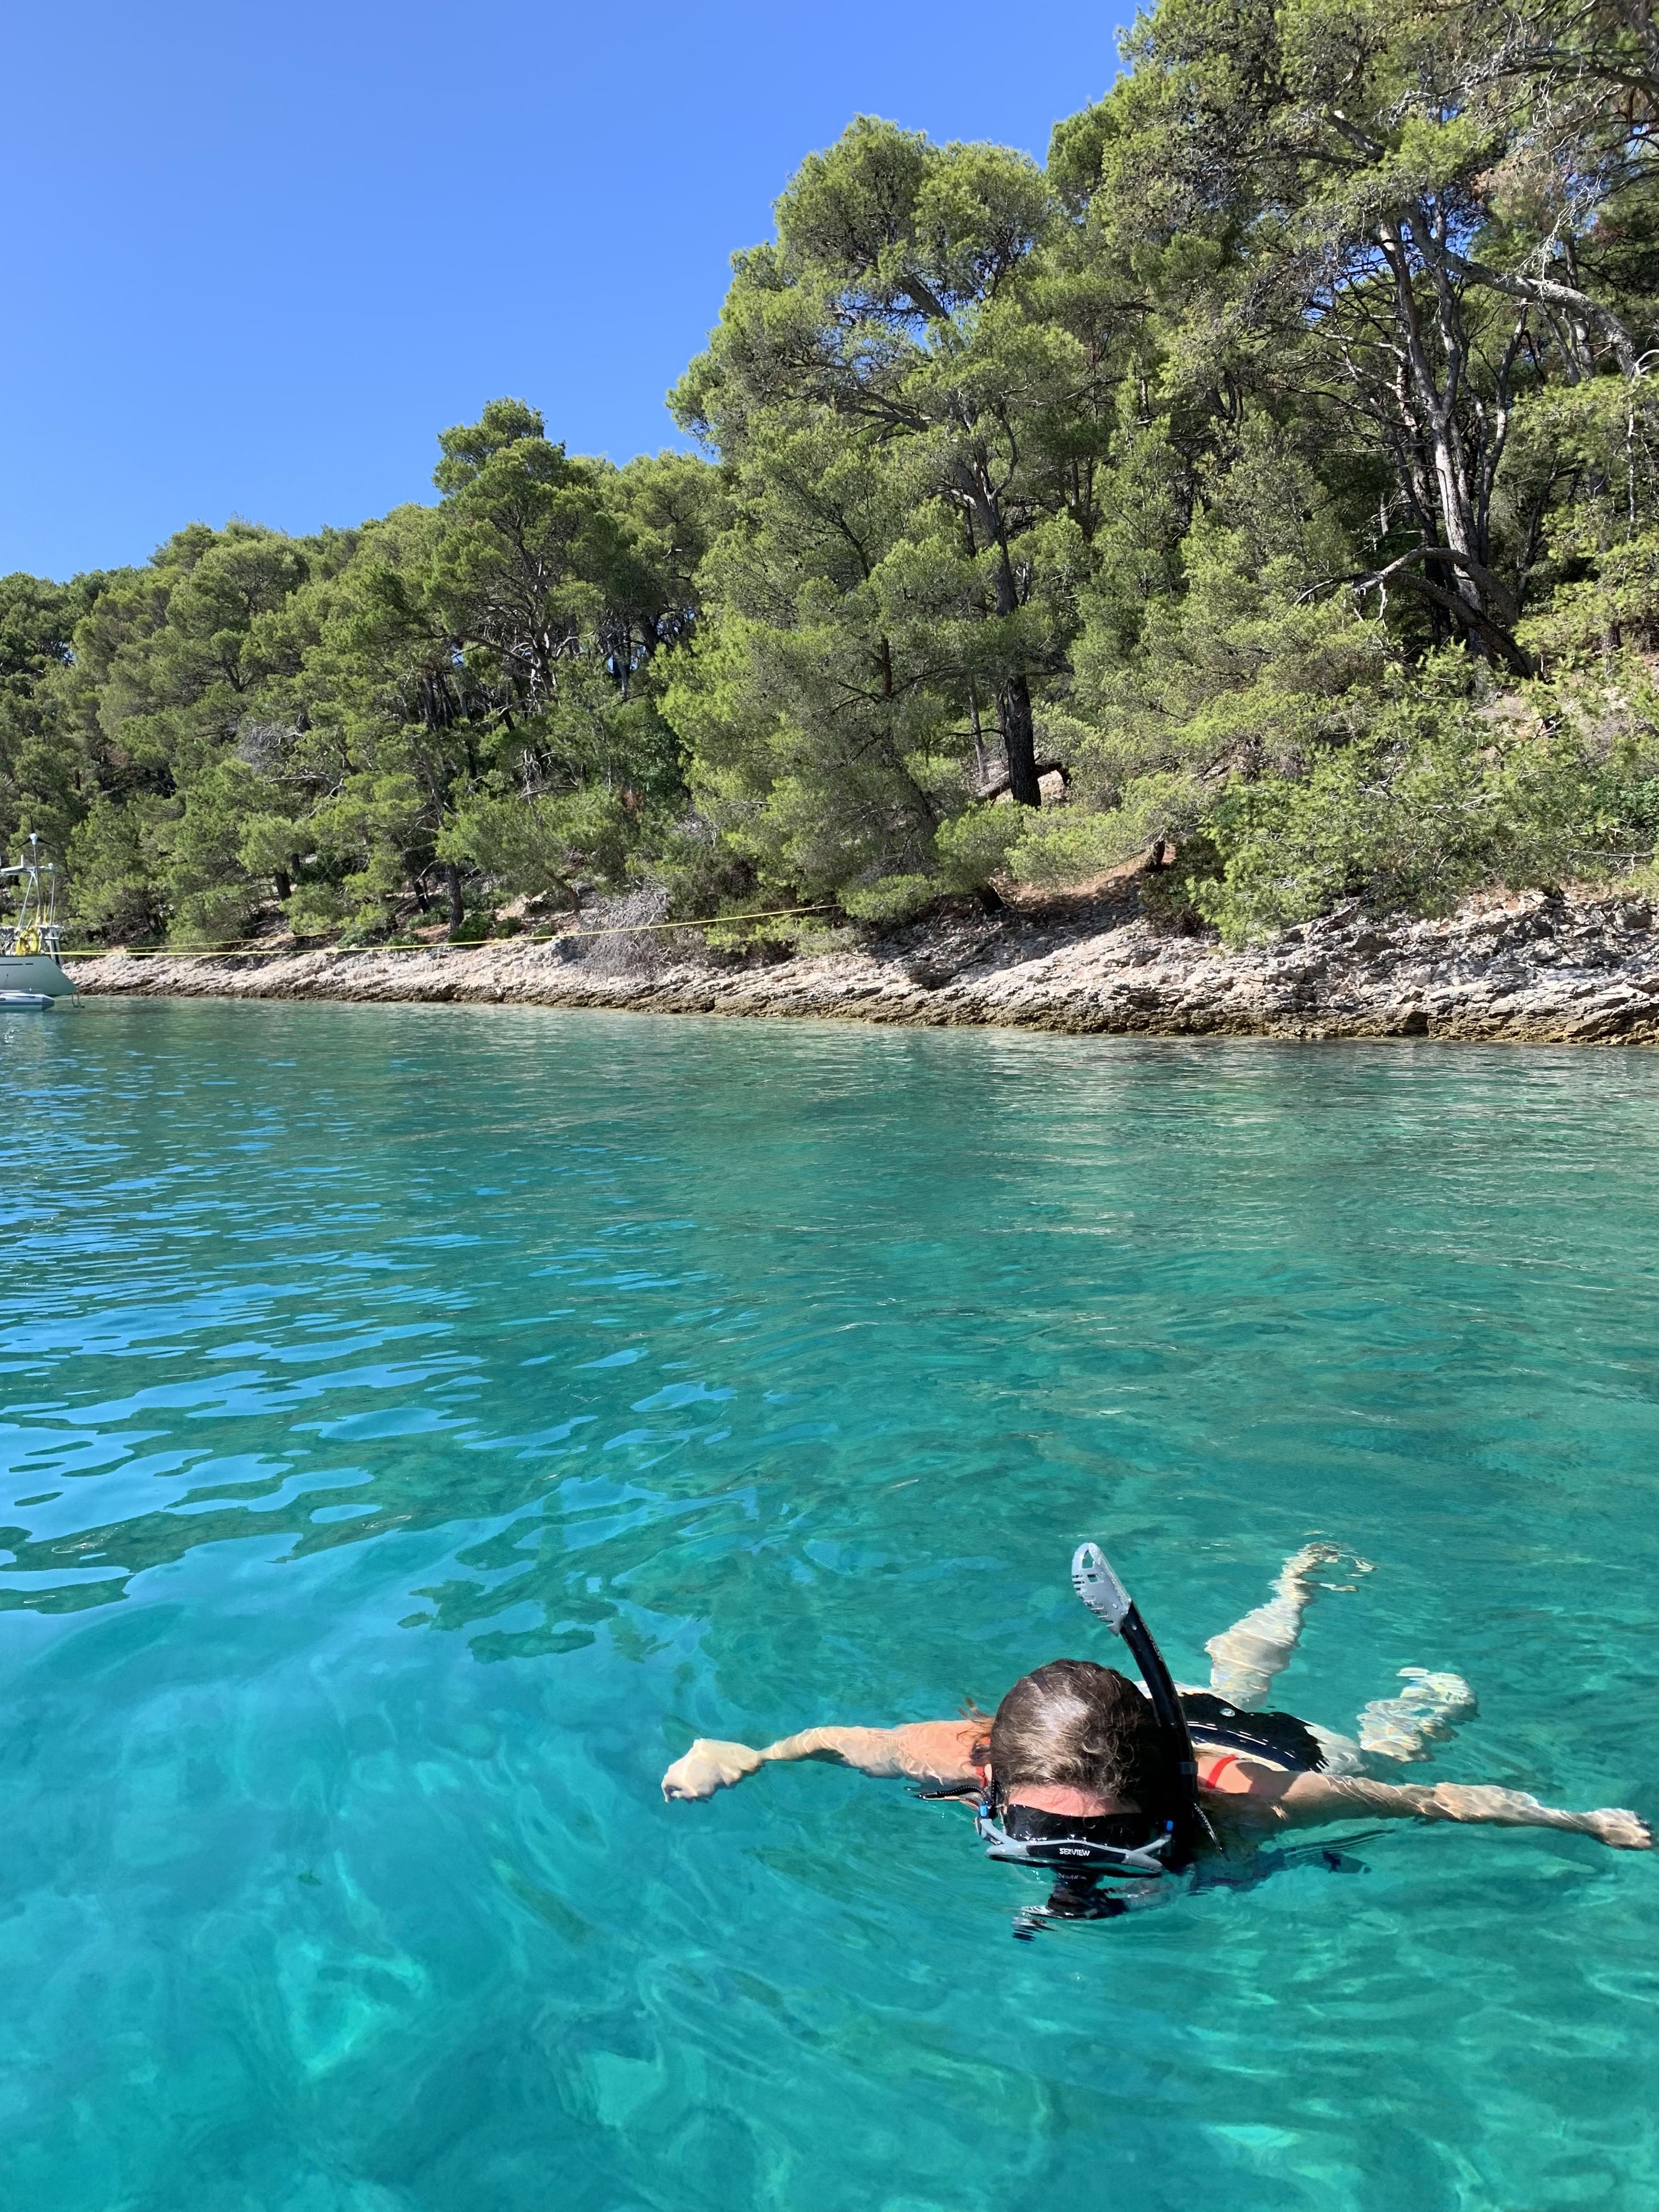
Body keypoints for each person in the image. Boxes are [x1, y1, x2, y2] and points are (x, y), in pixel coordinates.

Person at [662, 1543, 1651, 1877]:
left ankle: (1403, 1679)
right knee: (1227, 1662)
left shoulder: (1270, 1802)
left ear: (1154, 1795)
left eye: (1106, 1832)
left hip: (1257, 1750)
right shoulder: (957, 1754)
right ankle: (1290, 1593)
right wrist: (752, 1752)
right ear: (992, 1776)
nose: (1071, 1856)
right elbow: (842, 1740)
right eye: (1039, 1826)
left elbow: (1433, 1803)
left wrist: (1578, 1821)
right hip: (1150, 1706)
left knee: (1387, 1752)